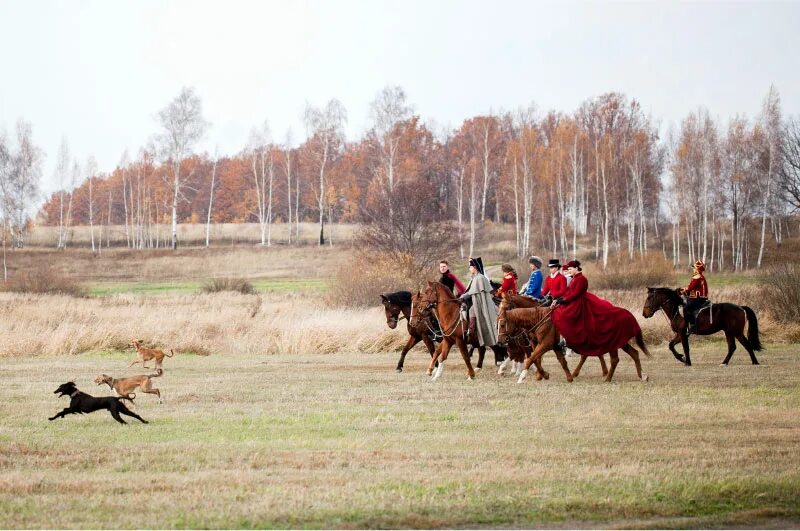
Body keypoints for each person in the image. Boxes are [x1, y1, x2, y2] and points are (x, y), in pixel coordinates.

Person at [551, 260, 642, 357]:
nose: (569, 271)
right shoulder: (574, 279)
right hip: (574, 301)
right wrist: (560, 298)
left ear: (576, 268)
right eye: (568, 269)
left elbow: (575, 294)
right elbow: (569, 292)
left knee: (569, 317)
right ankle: (566, 340)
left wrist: (564, 300)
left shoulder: (582, 279)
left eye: (570, 269)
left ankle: (569, 341)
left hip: (580, 303)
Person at [459, 257, 498, 346]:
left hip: (481, 302)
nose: (469, 269)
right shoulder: (475, 277)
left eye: (470, 267)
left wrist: (463, 296)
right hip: (477, 300)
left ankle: (472, 331)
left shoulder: (479, 278)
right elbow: (471, 291)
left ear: (475, 267)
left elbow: (472, 292)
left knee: (471, 310)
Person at [679, 260, 709, 334]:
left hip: (697, 298)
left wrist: (681, 290)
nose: (693, 269)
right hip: (701, 297)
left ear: (697, 269)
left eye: (694, 268)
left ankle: (692, 325)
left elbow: (690, 288)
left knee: (686, 308)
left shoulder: (697, 277)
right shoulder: (701, 276)